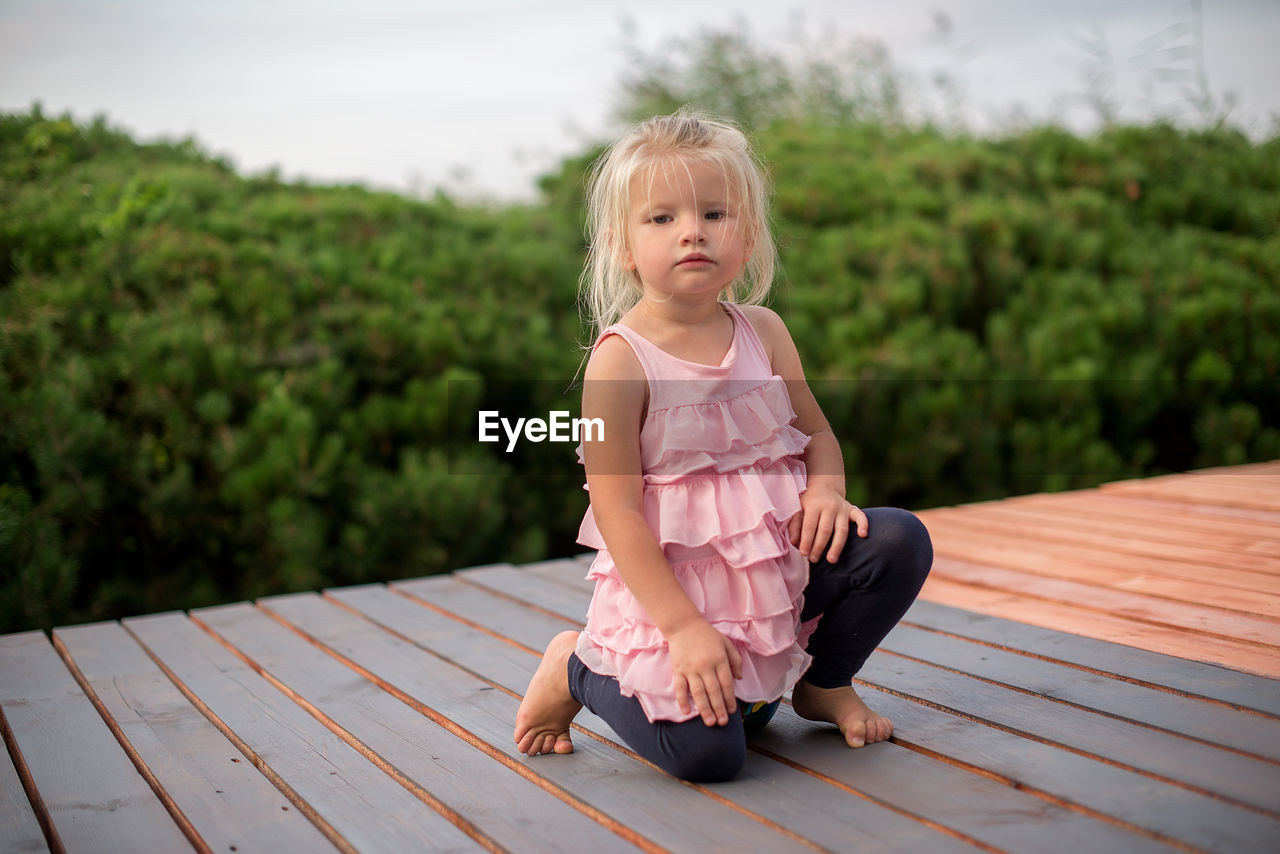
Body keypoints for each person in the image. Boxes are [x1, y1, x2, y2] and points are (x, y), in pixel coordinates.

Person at [514, 110, 932, 782]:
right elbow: (617, 515)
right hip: (675, 609)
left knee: (897, 540)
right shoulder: (621, 363)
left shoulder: (763, 332)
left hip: (775, 578)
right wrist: (682, 629)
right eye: (662, 219)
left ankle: (820, 684)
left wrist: (824, 488)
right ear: (622, 244)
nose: (692, 232)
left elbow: (818, 435)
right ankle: (578, 668)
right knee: (709, 758)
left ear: (748, 234)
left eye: (715, 213)